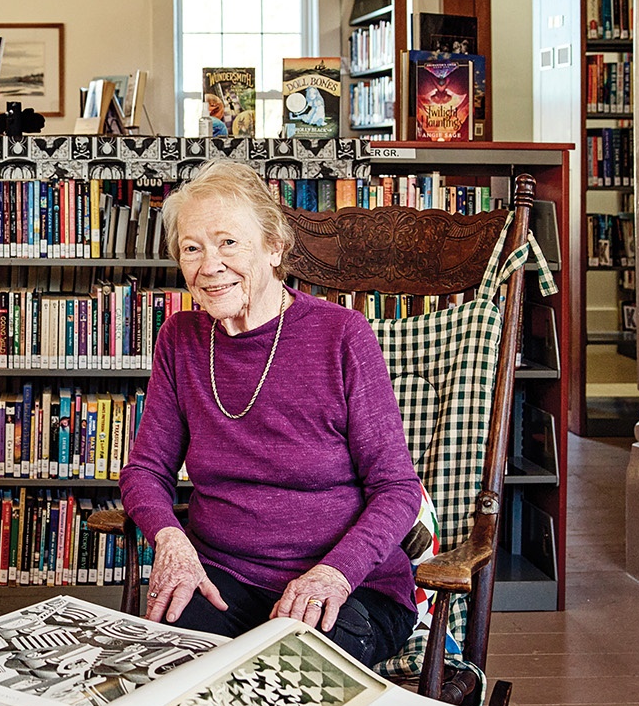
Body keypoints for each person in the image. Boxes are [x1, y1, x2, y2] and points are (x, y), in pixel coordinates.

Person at [117, 162, 421, 666]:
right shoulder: (180, 339)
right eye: (192, 248)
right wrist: (171, 540)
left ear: (274, 248)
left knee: (285, 681)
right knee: (163, 671)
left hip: (349, 584)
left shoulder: (342, 335)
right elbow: (146, 471)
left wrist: (334, 574)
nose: (209, 266)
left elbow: (397, 488)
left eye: (228, 243)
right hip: (223, 576)